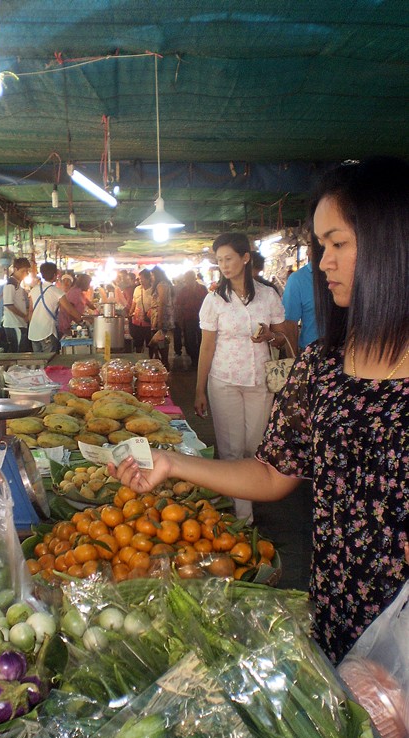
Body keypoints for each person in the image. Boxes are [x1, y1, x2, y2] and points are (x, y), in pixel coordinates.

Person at [112, 156, 409, 664]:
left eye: (339, 244)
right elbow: (273, 471)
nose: (322, 263)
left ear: (392, 243)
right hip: (338, 611)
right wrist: (174, 464)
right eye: (321, 246)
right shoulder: (322, 366)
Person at [195, 232, 286, 522]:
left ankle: (247, 494)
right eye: (220, 260)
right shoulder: (213, 300)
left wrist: (271, 336)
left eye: (229, 258)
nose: (224, 264)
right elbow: (206, 346)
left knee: (255, 445)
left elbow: (284, 337)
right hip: (223, 381)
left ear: (245, 258)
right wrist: (199, 390)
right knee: (232, 449)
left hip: (260, 381)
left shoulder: (268, 295)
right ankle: (243, 516)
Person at [27, 261, 84, 353]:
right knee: (49, 362)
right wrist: (81, 320)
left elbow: (30, 311)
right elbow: (69, 309)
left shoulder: (34, 290)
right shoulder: (57, 292)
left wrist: (32, 327)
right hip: (47, 332)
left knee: (38, 362)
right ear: (54, 275)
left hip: (33, 332)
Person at [282, 246, 319, 353]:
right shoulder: (297, 279)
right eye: (308, 244)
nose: (309, 251)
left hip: (347, 354)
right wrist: (293, 361)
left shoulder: (345, 275)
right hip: (310, 354)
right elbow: (289, 323)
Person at [173, 270, 206, 368]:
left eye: (189, 279)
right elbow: (179, 305)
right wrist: (180, 319)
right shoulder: (184, 290)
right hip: (188, 319)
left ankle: (201, 360)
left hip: (202, 319)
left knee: (202, 340)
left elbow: (207, 303)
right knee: (189, 341)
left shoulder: (202, 289)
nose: (187, 281)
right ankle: (194, 360)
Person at [2, 257, 30, 353]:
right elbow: (8, 305)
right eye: (23, 271)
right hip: (13, 324)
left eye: (27, 271)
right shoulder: (10, 284)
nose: (25, 274)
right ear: (15, 269)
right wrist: (24, 316)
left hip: (19, 323)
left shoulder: (18, 284)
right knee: (17, 353)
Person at [148, 266, 174, 369]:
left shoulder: (161, 284)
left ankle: (164, 362)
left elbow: (162, 302)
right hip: (159, 315)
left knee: (160, 339)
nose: (152, 278)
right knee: (159, 339)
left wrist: (159, 320)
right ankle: (162, 362)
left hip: (161, 316)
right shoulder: (164, 284)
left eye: (152, 275)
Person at [128, 268, 153, 353]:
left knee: (150, 344)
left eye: (142, 278)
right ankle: (139, 360)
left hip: (149, 321)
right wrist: (130, 313)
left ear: (148, 278)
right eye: (139, 278)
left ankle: (151, 360)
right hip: (137, 321)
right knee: (138, 343)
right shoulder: (137, 289)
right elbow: (134, 303)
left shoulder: (153, 290)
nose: (140, 280)